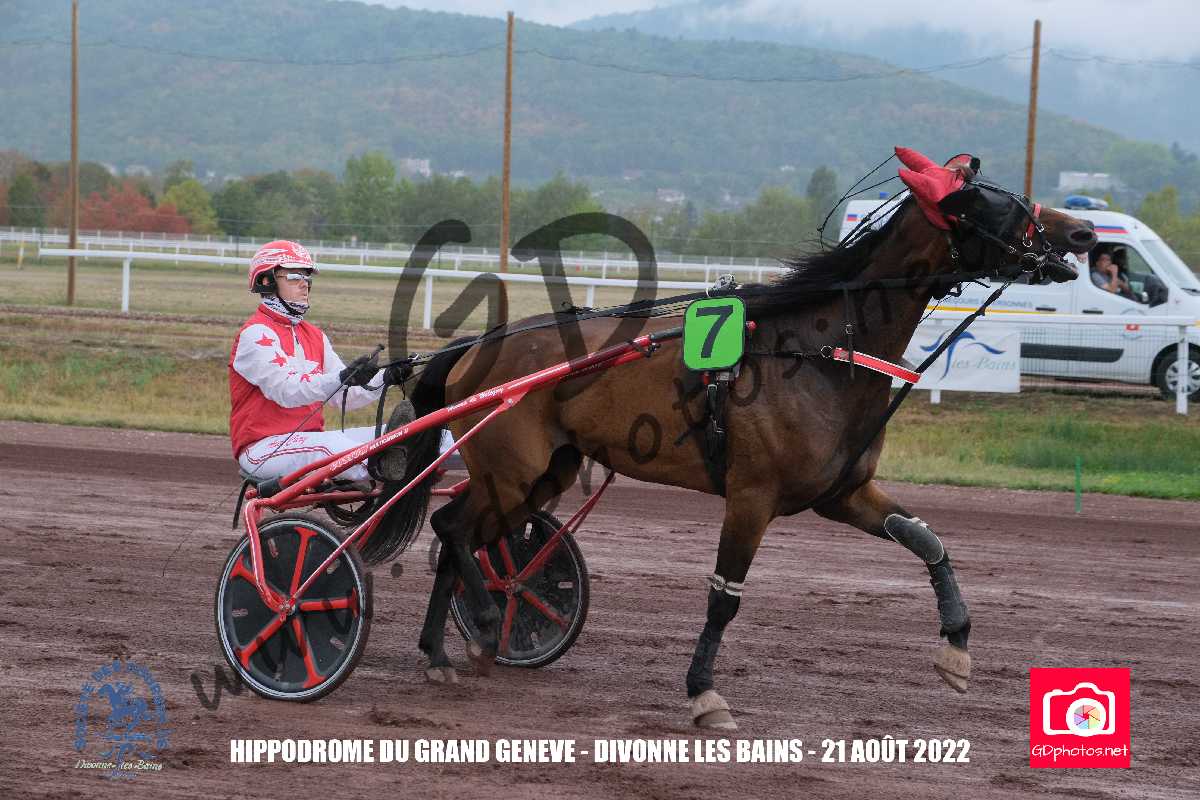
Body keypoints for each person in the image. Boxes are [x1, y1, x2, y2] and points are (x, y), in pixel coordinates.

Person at [228, 240, 402, 484]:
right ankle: (393, 468)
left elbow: (346, 396)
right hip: (263, 448)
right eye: (294, 276)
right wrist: (341, 378)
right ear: (266, 281)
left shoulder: (315, 335)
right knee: (330, 445)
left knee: (403, 434)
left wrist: (387, 377)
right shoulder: (255, 334)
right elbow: (287, 391)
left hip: (309, 442)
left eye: (306, 276)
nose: (304, 283)